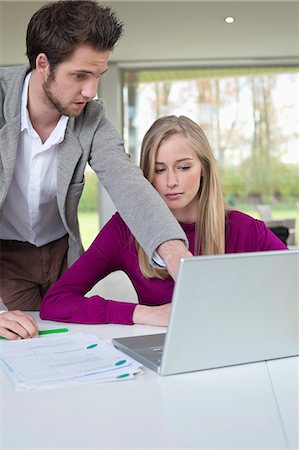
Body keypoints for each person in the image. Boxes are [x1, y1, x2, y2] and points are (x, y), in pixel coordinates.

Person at [0, 0, 191, 338]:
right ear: (43, 64)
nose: (91, 92)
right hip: (7, 255)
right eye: (79, 76)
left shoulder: (91, 117)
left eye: (98, 76)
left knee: (67, 339)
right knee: (21, 342)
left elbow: (127, 181)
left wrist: (174, 251)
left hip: (61, 252)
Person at [40, 115, 287, 327]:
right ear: (146, 175)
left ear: (204, 169)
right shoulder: (124, 229)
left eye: (183, 167)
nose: (171, 182)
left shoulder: (244, 229)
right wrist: (146, 314)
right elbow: (56, 302)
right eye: (159, 170)